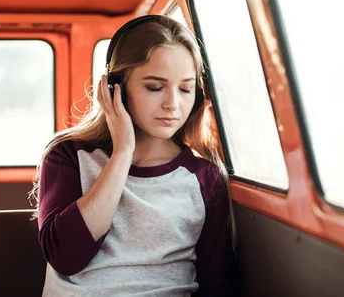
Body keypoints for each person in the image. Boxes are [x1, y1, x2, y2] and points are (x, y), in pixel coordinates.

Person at [30, 15, 241, 296]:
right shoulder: (68, 157)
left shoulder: (205, 178)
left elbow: (217, 284)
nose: (172, 104)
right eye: (154, 87)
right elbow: (66, 257)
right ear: (114, 87)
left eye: (185, 89)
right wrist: (122, 154)